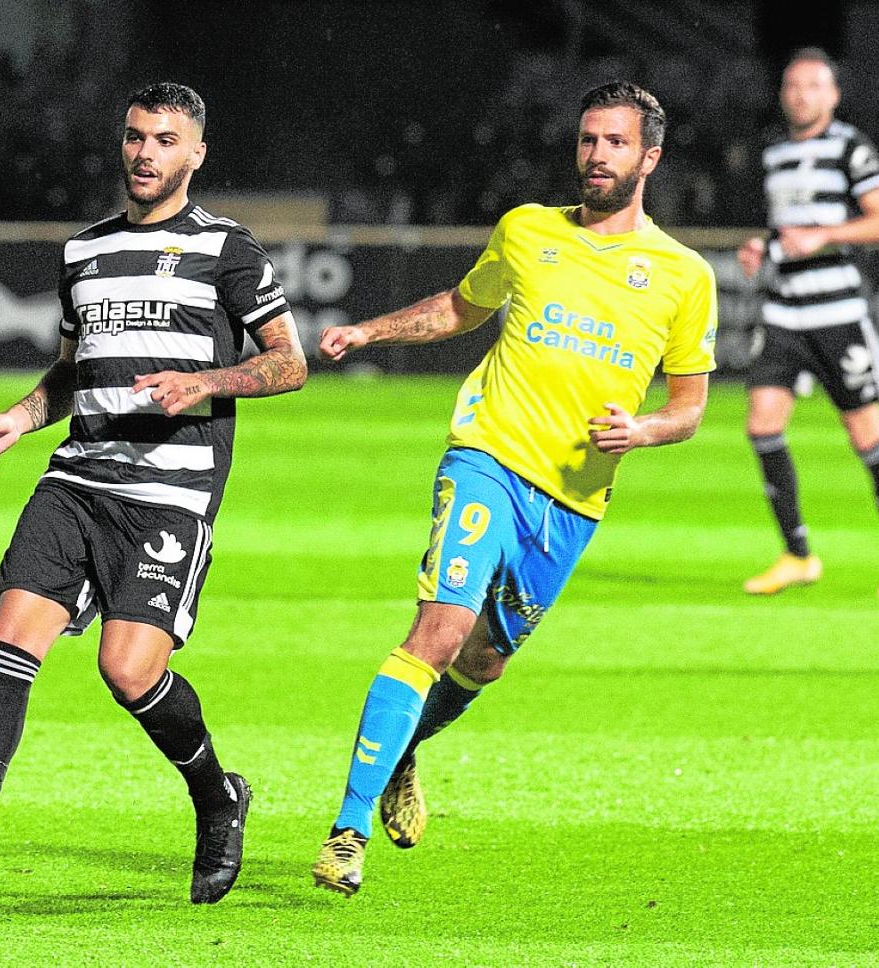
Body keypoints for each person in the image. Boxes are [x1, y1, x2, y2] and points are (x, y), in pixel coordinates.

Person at [0, 82, 307, 907]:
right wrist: (18, 419)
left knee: (127, 670)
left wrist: (205, 383)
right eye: (135, 137)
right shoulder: (84, 251)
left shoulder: (229, 249)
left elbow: (289, 363)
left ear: (195, 154)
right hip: (77, 479)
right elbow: (71, 371)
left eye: (164, 140)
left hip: (170, 496)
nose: (146, 153)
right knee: (12, 633)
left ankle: (216, 796)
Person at [311, 81, 718, 896]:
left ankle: (404, 752)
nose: (596, 155)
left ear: (650, 158)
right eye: (588, 139)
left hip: (572, 500)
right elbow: (463, 307)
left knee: (484, 661)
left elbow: (689, 409)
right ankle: (346, 832)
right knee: (440, 627)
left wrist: (642, 431)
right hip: (487, 458)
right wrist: (370, 329)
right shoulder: (527, 232)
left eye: (614, 142)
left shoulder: (681, 275)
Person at [738, 47, 879, 598]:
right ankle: (797, 554)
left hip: (837, 313)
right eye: (793, 86)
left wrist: (825, 234)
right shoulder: (774, 154)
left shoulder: (851, 148)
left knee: (864, 434)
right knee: (762, 425)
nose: (801, 95)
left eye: (813, 86)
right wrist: (762, 247)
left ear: (832, 95)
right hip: (783, 311)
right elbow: (785, 229)